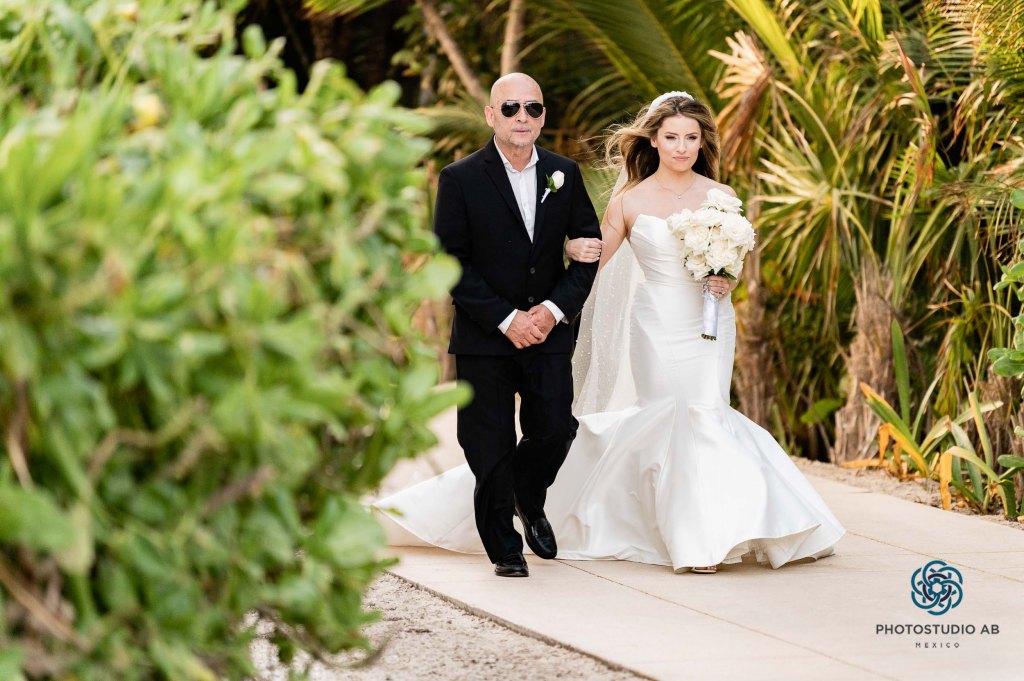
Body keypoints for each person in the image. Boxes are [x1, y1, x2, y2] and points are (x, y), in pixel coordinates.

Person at [374, 92, 844, 574]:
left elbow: (732, 262)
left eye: (691, 138)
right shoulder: (628, 202)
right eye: (672, 137)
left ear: (703, 142)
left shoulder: (721, 197)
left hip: (710, 323)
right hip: (656, 325)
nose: (682, 147)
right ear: (654, 140)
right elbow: (593, 259)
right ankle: (689, 539)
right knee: (669, 414)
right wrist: (564, 271)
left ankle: (711, 535)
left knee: (707, 411)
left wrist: (727, 279)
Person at [428, 73, 601, 578]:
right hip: (486, 335)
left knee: (556, 429)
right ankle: (504, 546)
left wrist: (550, 311)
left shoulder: (564, 173)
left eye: (532, 108)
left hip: (548, 332)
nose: (522, 117)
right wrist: (506, 319)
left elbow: (588, 250)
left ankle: (528, 495)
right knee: (489, 444)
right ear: (491, 115)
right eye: (510, 108)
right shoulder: (459, 178)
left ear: (543, 116)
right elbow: (450, 263)